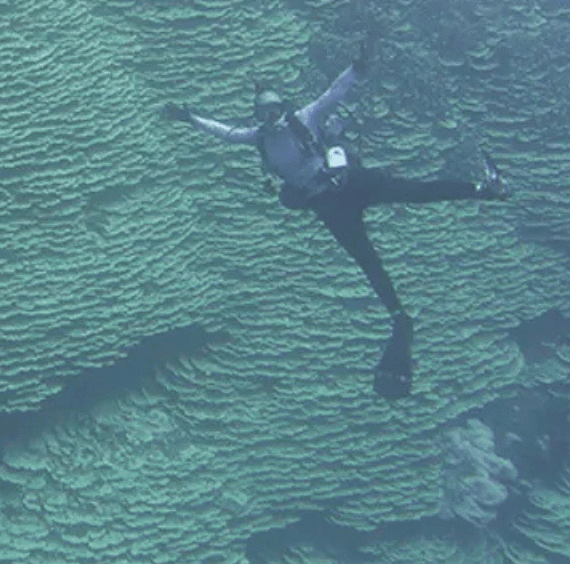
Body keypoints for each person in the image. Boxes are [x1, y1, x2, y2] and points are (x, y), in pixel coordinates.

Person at [163, 43, 508, 399]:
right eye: (264, 114)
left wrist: (356, 69)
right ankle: (398, 314)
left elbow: (332, 95)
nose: (271, 118)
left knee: (411, 192)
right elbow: (223, 132)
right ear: (257, 116)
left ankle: (483, 190)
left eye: (274, 110)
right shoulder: (258, 140)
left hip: (343, 186)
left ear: (283, 107)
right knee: (366, 257)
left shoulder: (303, 119)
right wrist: (190, 118)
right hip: (328, 202)